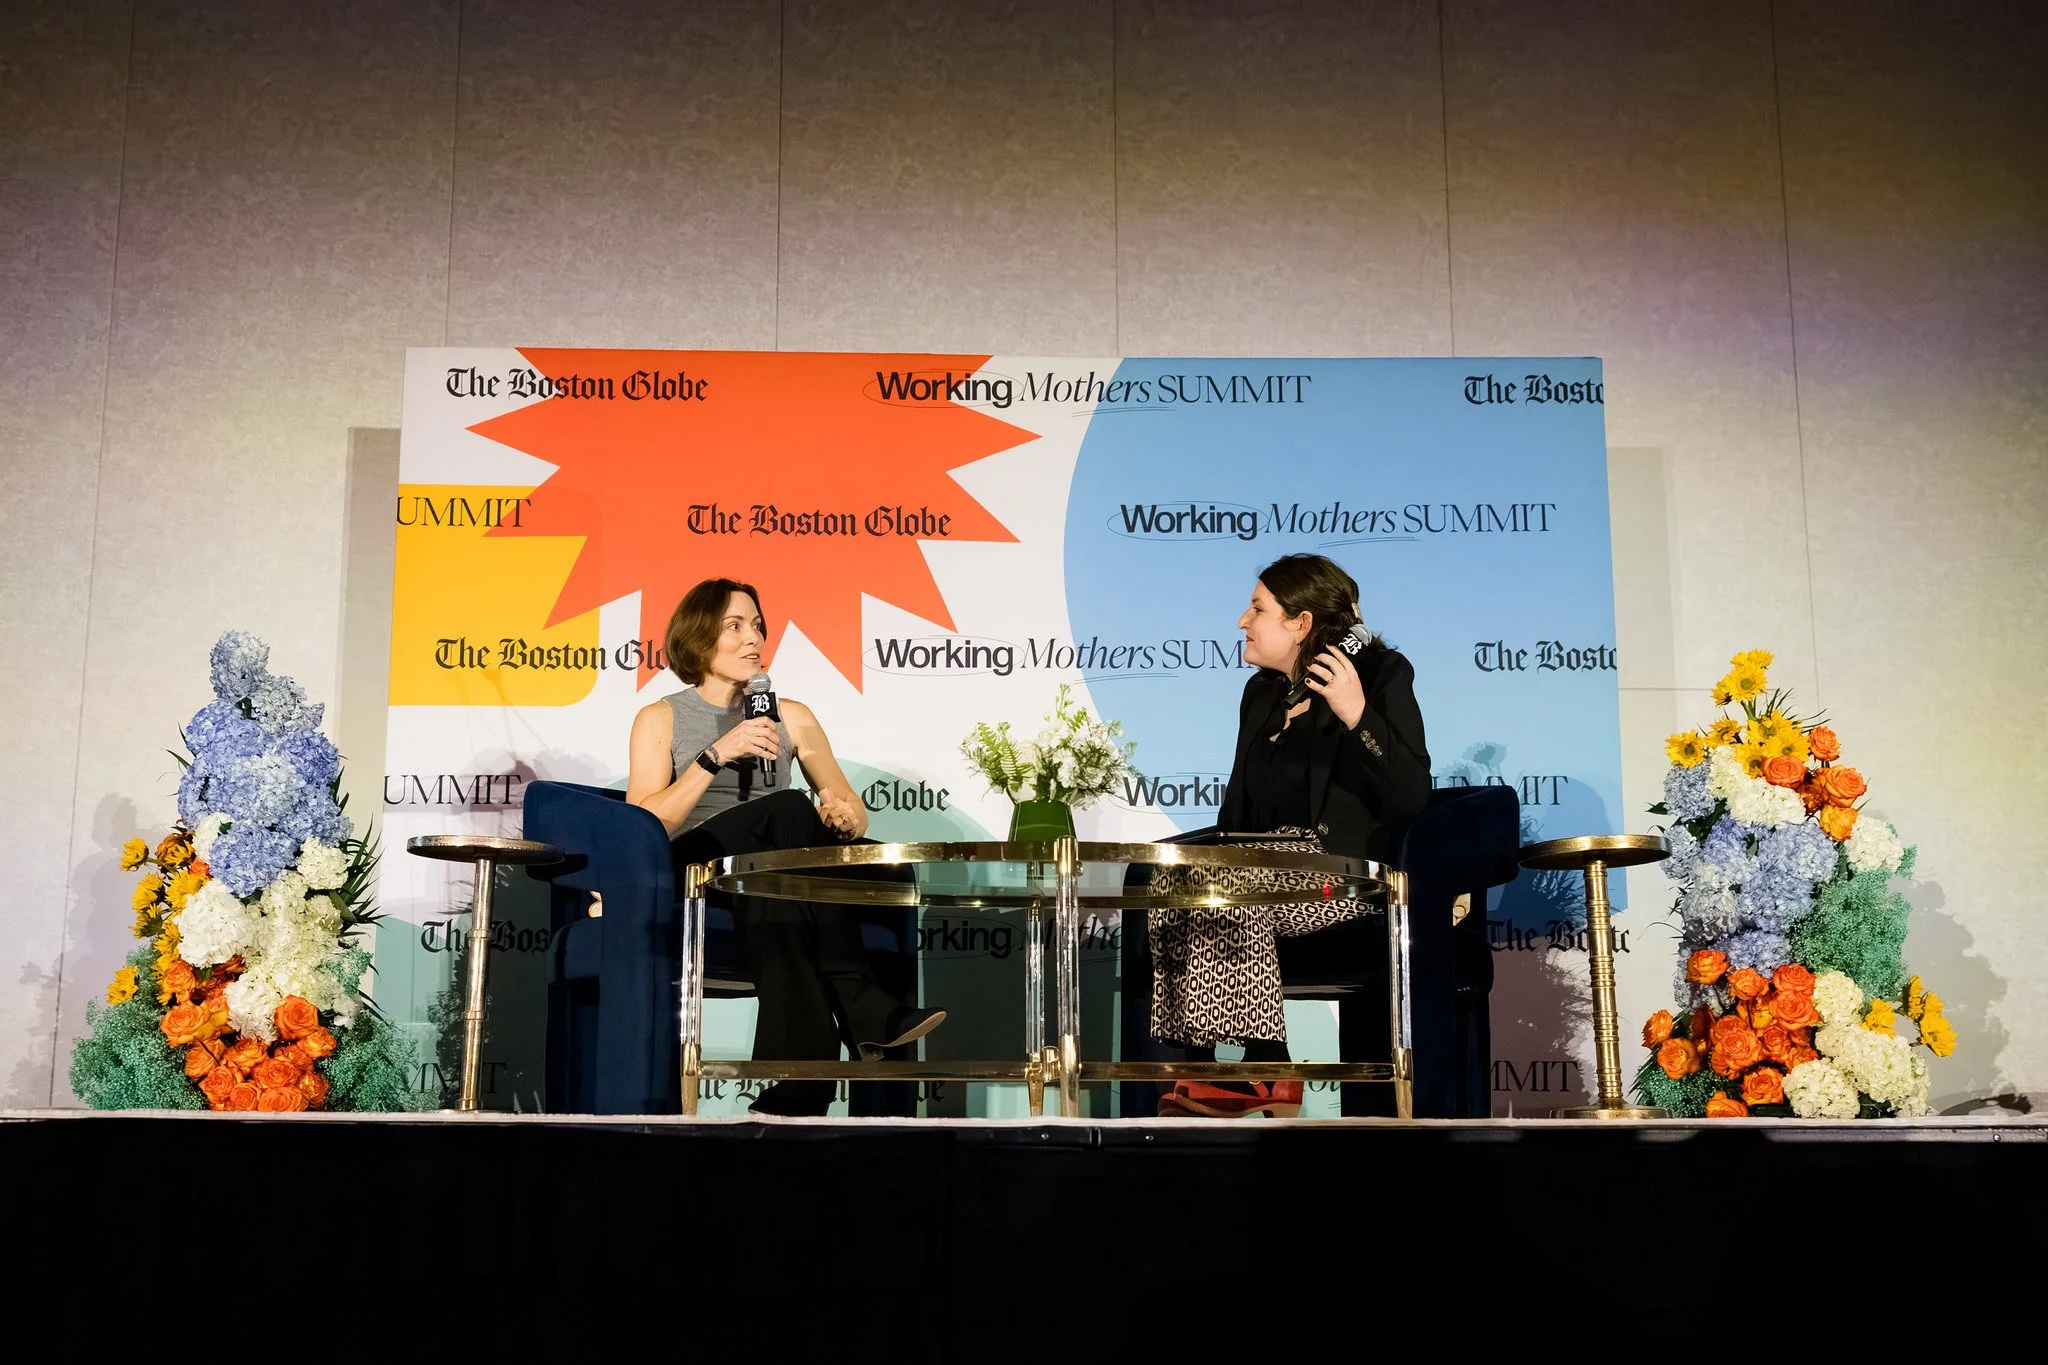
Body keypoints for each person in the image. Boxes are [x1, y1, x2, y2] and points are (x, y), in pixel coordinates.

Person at [626, 577, 945, 1116]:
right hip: (696, 871)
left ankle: (802, 1085)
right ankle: (860, 1002)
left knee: (835, 865)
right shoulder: (662, 718)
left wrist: (843, 817)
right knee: (790, 809)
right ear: (700, 639)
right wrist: (714, 757)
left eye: (758, 626)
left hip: (770, 876)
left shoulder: (792, 715)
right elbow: (642, 824)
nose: (754, 639)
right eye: (735, 626)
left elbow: (845, 800)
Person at [1150, 553, 1430, 1118]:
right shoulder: (1260, 695)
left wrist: (1356, 714)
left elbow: (1410, 797)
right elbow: (1237, 810)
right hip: (1265, 864)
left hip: (1341, 874)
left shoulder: (1380, 675)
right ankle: (1200, 1068)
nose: (1242, 622)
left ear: (1300, 623)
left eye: (1257, 609)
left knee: (1236, 874)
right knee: (1179, 873)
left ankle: (1266, 1067)